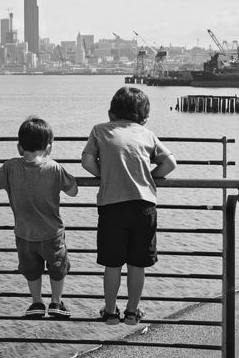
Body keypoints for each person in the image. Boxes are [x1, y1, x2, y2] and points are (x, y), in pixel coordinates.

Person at [81, 87, 177, 326]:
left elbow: (86, 161)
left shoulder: (99, 130)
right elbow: (170, 163)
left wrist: (107, 175)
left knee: (112, 264)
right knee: (137, 264)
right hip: (144, 206)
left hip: (112, 207)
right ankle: (132, 311)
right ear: (144, 116)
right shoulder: (146, 133)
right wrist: (148, 178)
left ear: (111, 113)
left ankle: (111, 312)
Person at [0, 116, 78, 319]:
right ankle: (55, 302)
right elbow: (73, 191)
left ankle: (36, 302)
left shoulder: (10, 167)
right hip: (51, 233)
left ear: (20, 148)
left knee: (31, 270)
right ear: (49, 147)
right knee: (58, 266)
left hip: (24, 234)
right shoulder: (54, 168)